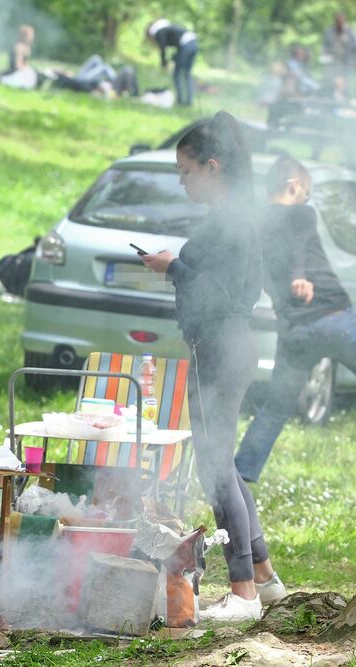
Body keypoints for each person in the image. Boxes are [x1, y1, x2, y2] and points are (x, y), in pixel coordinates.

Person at [141, 112, 286, 621]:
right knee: (221, 462)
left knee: (214, 465)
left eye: (186, 171)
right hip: (230, 344)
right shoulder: (238, 217)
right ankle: (264, 578)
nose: (183, 182)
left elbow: (219, 293)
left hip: (222, 346)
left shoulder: (232, 221)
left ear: (212, 165)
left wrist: (171, 267)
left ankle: (243, 592)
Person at [235, 156, 356, 483]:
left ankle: (241, 472)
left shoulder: (254, 224)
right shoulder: (302, 214)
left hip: (294, 331)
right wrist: (299, 276)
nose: (307, 201)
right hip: (333, 318)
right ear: (293, 186)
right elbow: (300, 237)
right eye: (306, 193)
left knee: (275, 409)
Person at [146, 19, 198, 107]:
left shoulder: (159, 32)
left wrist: (163, 63)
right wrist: (171, 59)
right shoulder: (166, 28)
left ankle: (180, 100)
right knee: (187, 74)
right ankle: (189, 101)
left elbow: (163, 48)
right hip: (193, 43)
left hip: (186, 46)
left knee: (177, 74)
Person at [323, 13, 356, 98]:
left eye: (341, 21)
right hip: (333, 61)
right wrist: (326, 58)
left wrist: (354, 61)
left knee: (346, 80)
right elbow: (325, 46)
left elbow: (354, 48)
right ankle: (332, 97)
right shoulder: (330, 31)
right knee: (332, 80)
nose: (340, 23)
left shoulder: (350, 32)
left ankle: (346, 97)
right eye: (338, 21)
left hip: (347, 61)